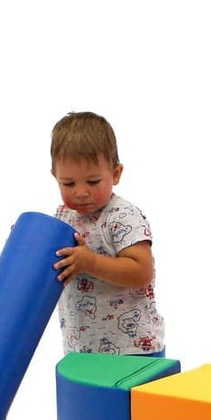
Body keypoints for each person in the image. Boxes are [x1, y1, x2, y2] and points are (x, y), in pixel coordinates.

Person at [50, 111, 165, 355]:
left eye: (92, 182)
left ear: (115, 174)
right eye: (68, 184)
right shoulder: (62, 217)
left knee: (131, 395)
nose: (81, 192)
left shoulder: (122, 217)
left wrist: (90, 262)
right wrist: (26, 243)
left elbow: (142, 272)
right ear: (55, 177)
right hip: (81, 351)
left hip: (133, 350)